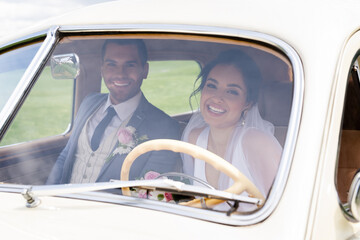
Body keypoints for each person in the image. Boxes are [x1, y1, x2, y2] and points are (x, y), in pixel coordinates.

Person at [47, 39, 181, 185]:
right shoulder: (89, 102)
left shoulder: (165, 128)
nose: (120, 74)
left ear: (145, 70)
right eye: (112, 64)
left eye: (130, 65)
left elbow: (149, 190)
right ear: (102, 69)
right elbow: (66, 156)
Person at [182, 49, 282, 201]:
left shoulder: (257, 143)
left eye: (232, 92)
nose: (217, 98)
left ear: (247, 103)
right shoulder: (194, 138)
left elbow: (283, 203)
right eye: (212, 86)